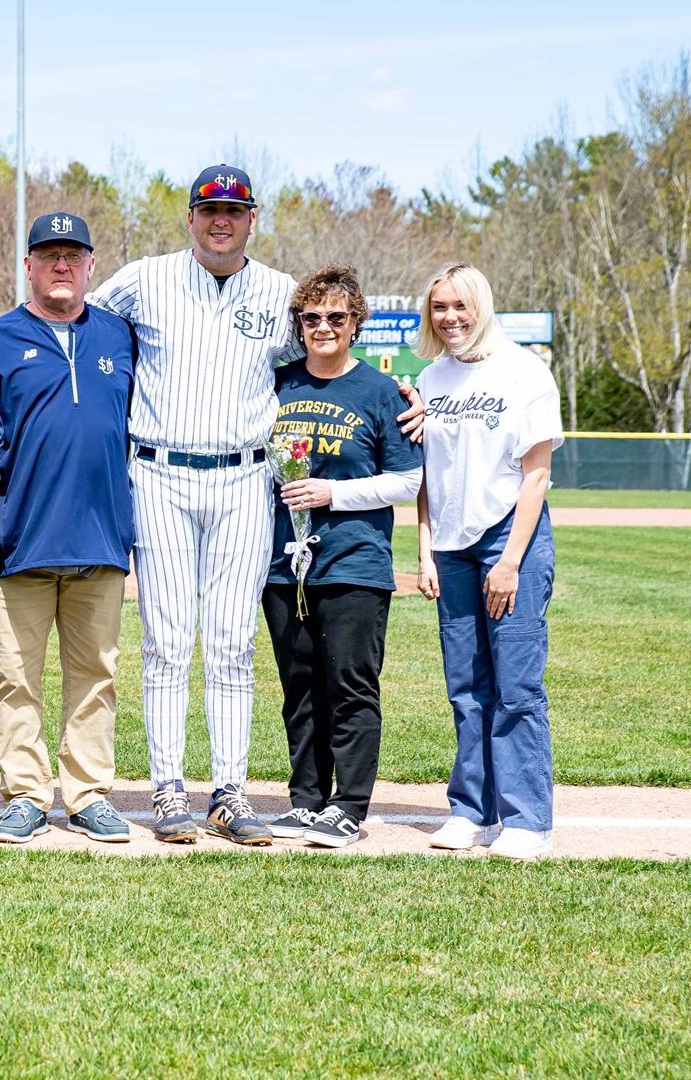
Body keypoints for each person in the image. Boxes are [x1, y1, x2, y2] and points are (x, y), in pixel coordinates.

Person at [87, 164, 424, 846]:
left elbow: (330, 364)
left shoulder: (279, 294)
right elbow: (80, 325)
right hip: (158, 473)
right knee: (167, 641)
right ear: (189, 217)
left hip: (245, 478)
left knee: (232, 643)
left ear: (252, 217)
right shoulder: (142, 280)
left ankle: (229, 791)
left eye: (235, 210)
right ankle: (168, 789)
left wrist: (402, 398)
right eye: (210, 209)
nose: (222, 220)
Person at [0, 213, 137, 845]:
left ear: (92, 265)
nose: (61, 266)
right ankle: (26, 794)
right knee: (15, 676)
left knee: (96, 674)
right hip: (20, 539)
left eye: (73, 255)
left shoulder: (120, 337)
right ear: (29, 266)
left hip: (101, 535)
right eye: (49, 255)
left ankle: (89, 792)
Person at [261, 266, 422, 848]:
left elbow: (407, 480)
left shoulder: (381, 391)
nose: (323, 327)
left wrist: (336, 494)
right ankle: (306, 801)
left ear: (356, 323)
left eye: (336, 317)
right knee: (299, 684)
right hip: (283, 563)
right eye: (311, 318)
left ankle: (348, 805)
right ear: (298, 325)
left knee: (349, 683)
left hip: (354, 559)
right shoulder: (277, 383)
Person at [413, 262, 561, 861]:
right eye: (439, 307)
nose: (449, 317)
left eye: (459, 305)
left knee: (516, 685)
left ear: (482, 306)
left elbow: (539, 475)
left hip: (508, 539)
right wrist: (424, 547)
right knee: (466, 687)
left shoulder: (524, 371)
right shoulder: (430, 379)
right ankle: (471, 812)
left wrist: (511, 563)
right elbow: (425, 475)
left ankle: (528, 821)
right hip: (450, 546)